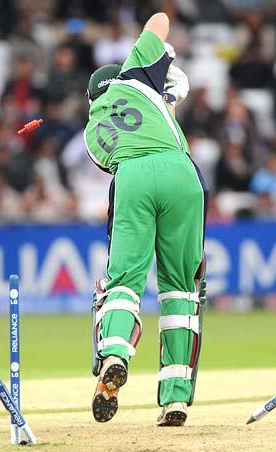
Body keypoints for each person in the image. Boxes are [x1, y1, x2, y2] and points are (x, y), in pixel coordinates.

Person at [84, 12, 206, 427]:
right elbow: (161, 18)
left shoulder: (92, 129)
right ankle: (175, 399)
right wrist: (162, 80)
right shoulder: (137, 72)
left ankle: (115, 352)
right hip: (180, 172)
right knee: (181, 290)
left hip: (132, 177)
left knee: (124, 282)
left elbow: (112, 162)